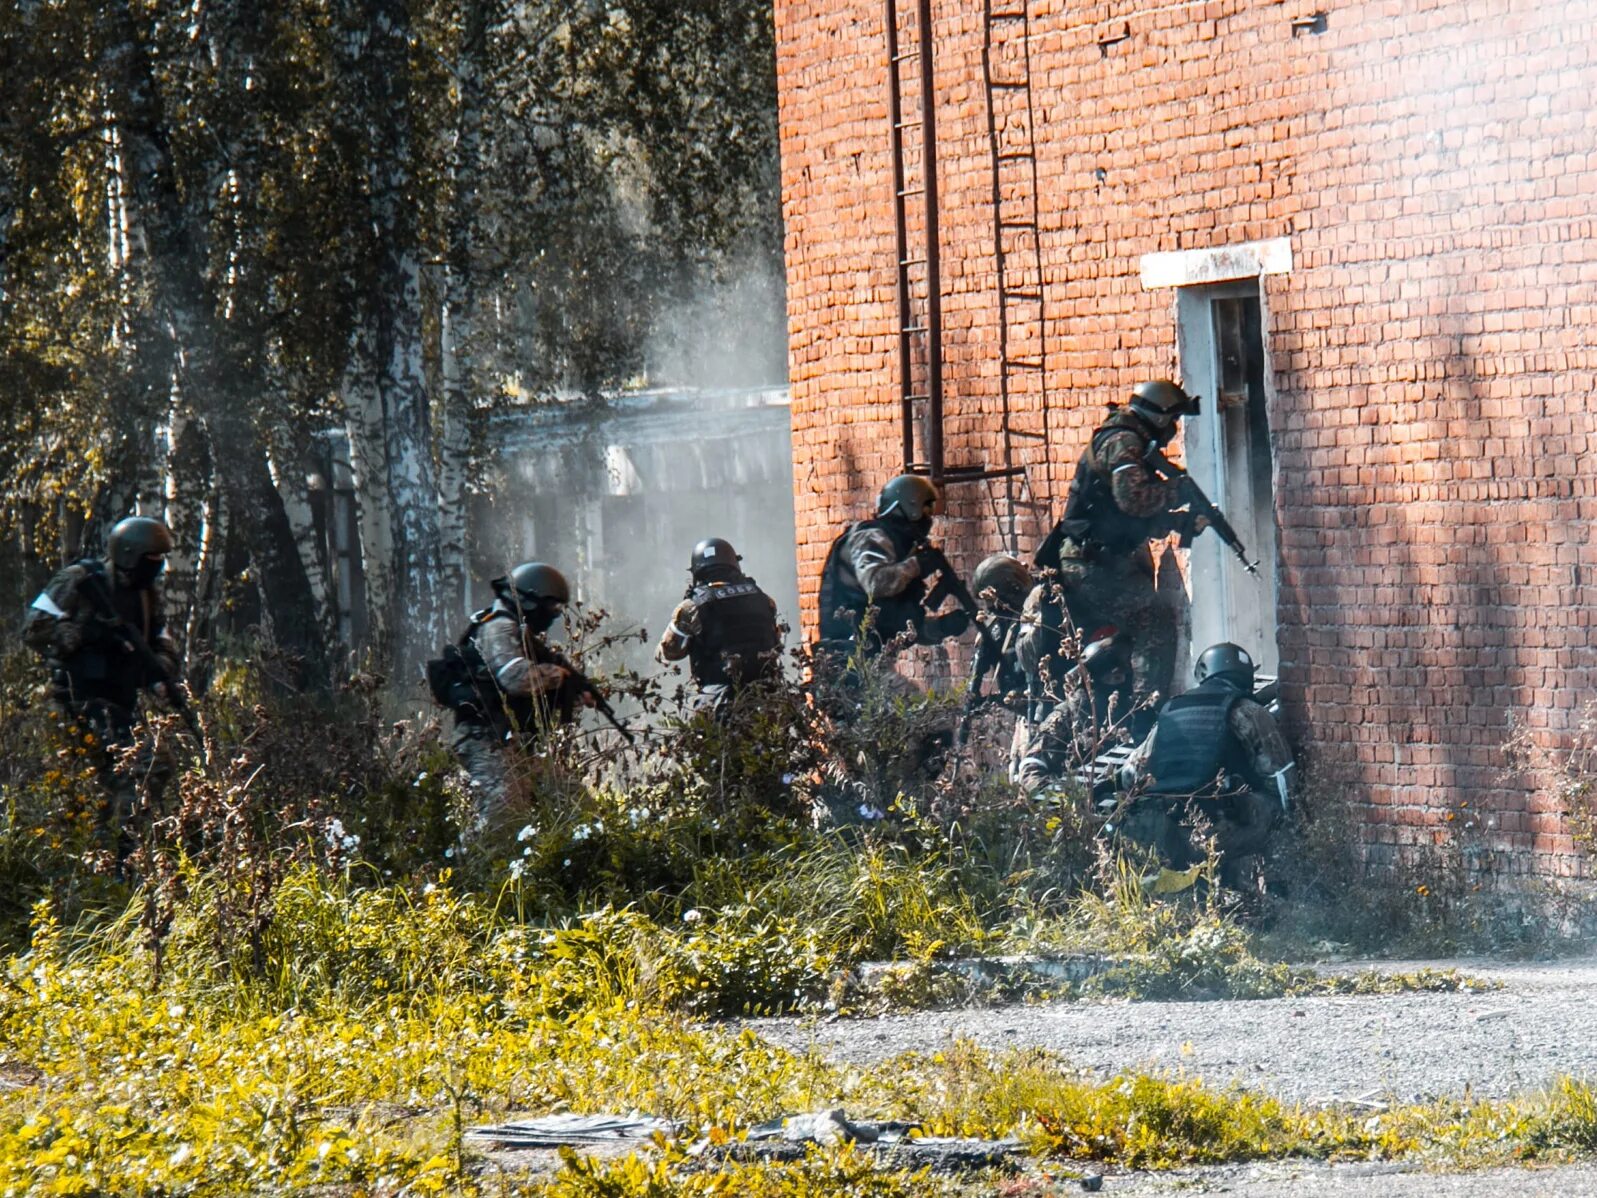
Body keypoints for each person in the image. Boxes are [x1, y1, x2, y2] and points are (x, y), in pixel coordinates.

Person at [1034, 379, 1206, 705]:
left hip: (1100, 558)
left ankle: (1091, 682)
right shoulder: (1124, 442)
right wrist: (1178, 490)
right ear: (1159, 418)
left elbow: (1129, 518)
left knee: (1129, 627)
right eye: (1173, 420)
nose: (1174, 428)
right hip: (1090, 563)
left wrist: (1179, 522)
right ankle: (1145, 713)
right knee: (1154, 623)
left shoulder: (1128, 439)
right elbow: (1133, 500)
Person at [23, 516, 180, 855]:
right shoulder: (80, 580)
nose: (154, 568)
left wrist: (160, 673)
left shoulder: (146, 596)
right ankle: (114, 858)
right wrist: (84, 635)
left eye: (158, 561)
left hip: (119, 702)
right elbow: (34, 626)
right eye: (149, 560)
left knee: (156, 768)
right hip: (75, 701)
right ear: (128, 554)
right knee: (122, 776)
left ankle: (117, 851)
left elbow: (161, 640)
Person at [1118, 642, 1294, 886]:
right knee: (1278, 813)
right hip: (1218, 830)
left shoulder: (1171, 711)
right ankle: (1279, 895)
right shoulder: (1249, 711)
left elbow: (1130, 774)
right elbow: (1282, 781)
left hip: (1164, 829)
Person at [436, 562, 589, 830]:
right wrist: (559, 675)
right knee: (502, 815)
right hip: (485, 740)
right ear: (532, 600)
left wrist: (574, 693)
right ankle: (470, 868)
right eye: (551, 607)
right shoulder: (500, 626)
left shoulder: (518, 629)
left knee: (574, 802)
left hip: (513, 742)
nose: (553, 615)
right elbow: (515, 677)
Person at [815, 474, 970, 660]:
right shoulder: (871, 537)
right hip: (846, 658)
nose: (928, 519)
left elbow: (893, 623)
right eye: (925, 509)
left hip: (867, 658)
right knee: (908, 691)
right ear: (910, 506)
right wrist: (916, 565)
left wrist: (940, 627)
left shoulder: (893, 545)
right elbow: (875, 584)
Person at [656, 538, 782, 716]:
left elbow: (670, 651)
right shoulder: (764, 599)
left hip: (719, 701)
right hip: (768, 696)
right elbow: (775, 642)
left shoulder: (691, 607)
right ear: (733, 564)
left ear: (698, 571)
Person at [1014, 630, 1135, 796]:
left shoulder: (1132, 713)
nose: (1121, 683)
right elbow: (1031, 768)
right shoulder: (1065, 716)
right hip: (1077, 808)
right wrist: (1061, 801)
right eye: (1115, 677)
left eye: (1122, 677)